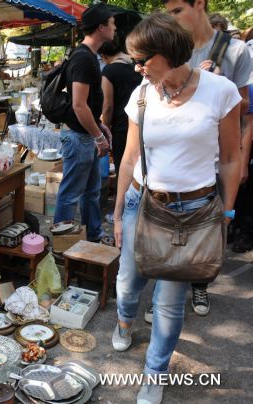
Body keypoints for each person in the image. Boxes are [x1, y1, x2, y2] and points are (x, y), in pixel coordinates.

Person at [111, 13, 241, 404]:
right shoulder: (142, 94)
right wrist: (117, 214)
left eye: (142, 60)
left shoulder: (221, 91)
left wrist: (227, 212)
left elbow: (232, 159)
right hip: (142, 200)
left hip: (195, 210)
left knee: (168, 301)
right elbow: (130, 157)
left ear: (167, 54)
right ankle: (124, 321)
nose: (136, 67)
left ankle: (155, 372)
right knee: (129, 279)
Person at [162, 0, 252, 317]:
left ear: (198, 4)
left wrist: (211, 84)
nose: (171, 18)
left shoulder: (236, 51)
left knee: (206, 235)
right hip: (175, 158)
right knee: (168, 234)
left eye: (176, 11)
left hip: (214, 162)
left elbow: (245, 111)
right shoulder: (172, 48)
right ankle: (165, 298)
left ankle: (200, 288)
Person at [52, 3, 115, 242]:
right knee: (70, 195)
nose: (115, 29)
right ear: (101, 27)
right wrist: (98, 136)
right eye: (112, 24)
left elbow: (86, 103)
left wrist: (99, 126)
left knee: (91, 192)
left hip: (84, 136)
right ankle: (62, 247)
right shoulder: (83, 58)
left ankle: (93, 237)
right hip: (79, 138)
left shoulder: (89, 56)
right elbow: (79, 104)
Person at [99, 38, 142, 193]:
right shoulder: (137, 65)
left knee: (123, 167)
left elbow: (108, 106)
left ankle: (123, 210)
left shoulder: (109, 70)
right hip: (140, 123)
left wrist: (106, 128)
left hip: (121, 127)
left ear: (103, 56)